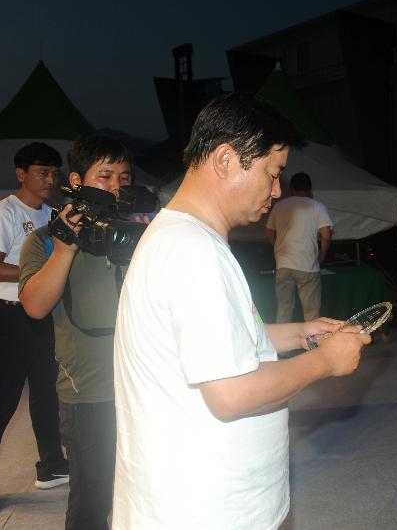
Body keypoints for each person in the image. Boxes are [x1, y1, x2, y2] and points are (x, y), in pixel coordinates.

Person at [111, 92, 371, 530]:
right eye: (272, 174)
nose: (276, 191)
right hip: (206, 509)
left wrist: (303, 333)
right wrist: (326, 360)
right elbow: (231, 392)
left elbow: (219, 342)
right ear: (226, 159)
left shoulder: (178, 236)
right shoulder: (196, 253)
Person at [18, 134, 136, 529]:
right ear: (76, 180)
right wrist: (66, 248)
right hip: (90, 392)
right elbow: (34, 306)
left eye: (123, 176)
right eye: (104, 176)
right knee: (92, 502)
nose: (116, 186)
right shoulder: (45, 241)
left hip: (143, 386)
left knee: (141, 496)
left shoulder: (134, 234)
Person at [0, 142, 68, 513]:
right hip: (10, 315)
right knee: (3, 401)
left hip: (45, 314)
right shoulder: (2, 212)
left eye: (54, 173)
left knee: (48, 392)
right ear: (22, 174)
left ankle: (50, 465)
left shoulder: (54, 215)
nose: (50, 179)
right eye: (42, 172)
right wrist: (41, 276)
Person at [265, 171, 332, 322]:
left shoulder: (280, 206)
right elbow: (326, 235)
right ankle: (312, 345)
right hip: (308, 266)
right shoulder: (318, 207)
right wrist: (321, 256)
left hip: (284, 265)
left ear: (291, 188)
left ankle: (283, 345)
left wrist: (279, 248)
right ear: (310, 189)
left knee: (284, 309)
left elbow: (269, 234)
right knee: (311, 312)